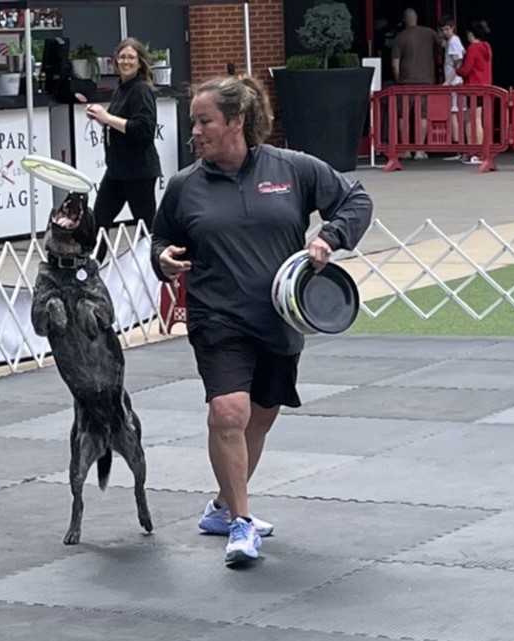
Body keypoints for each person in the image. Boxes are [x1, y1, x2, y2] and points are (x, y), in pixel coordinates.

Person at [149, 74, 372, 567]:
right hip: (216, 317)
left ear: (236, 121)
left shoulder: (292, 169)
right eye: (193, 122)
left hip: (279, 317)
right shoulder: (185, 185)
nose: (195, 131)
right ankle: (241, 523)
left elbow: (357, 200)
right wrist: (163, 258)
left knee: (262, 415)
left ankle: (223, 505)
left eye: (204, 121)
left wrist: (329, 238)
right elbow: (160, 238)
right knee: (229, 412)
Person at [85, 38, 162, 261]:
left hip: (139, 172)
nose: (126, 61)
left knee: (146, 227)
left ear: (140, 63)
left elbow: (144, 130)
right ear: (115, 61)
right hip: (117, 171)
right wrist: (102, 119)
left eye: (131, 57)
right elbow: (120, 123)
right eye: (122, 57)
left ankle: (156, 272)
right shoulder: (122, 89)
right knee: (99, 220)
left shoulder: (141, 90)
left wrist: (108, 118)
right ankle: (91, 271)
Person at [392, 8, 444, 159]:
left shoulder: (400, 38)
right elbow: (444, 46)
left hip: (406, 83)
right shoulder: (429, 33)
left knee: (404, 115)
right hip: (426, 81)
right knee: (423, 115)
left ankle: (406, 150)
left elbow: (395, 64)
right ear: (417, 18)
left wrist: (399, 79)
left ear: (404, 20)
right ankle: (420, 150)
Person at [456, 20, 494, 166]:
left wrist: (457, 69)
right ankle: (476, 151)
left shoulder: (473, 48)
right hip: (484, 87)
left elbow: (466, 70)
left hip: (473, 87)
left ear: (471, 34)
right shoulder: (487, 47)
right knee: (475, 119)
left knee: (473, 120)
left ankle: (476, 152)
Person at [439, 16, 467, 162]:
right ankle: (460, 147)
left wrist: (447, 81)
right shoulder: (452, 41)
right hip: (456, 82)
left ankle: (458, 146)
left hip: (455, 82)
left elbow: (458, 63)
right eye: (443, 29)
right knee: (457, 112)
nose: (445, 32)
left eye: (447, 29)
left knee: (455, 113)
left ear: (453, 28)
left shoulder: (454, 42)